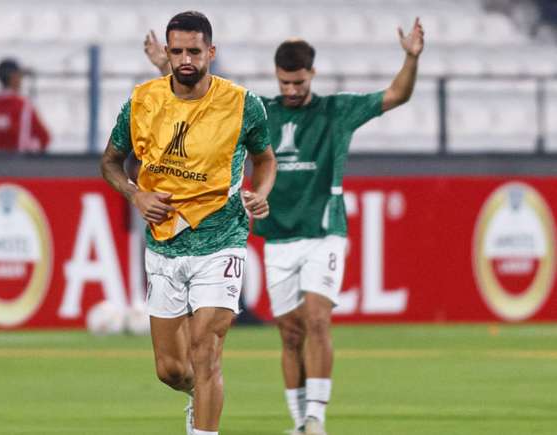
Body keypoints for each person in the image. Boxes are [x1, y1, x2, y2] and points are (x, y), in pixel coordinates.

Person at [145, 17, 425, 435]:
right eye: (285, 83)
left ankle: (316, 418)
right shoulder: (261, 111)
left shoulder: (336, 111)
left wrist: (410, 57)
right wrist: (165, 70)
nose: (291, 90)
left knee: (316, 319)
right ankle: (299, 422)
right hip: (277, 235)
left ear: (312, 74)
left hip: (324, 231)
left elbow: (397, 94)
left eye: (298, 82)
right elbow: (204, 99)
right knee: (290, 332)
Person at [101, 11, 276, 435]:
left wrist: (261, 192)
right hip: (164, 244)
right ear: (167, 51)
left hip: (222, 239)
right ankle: (199, 400)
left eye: (193, 51)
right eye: (176, 51)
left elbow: (265, 158)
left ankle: (204, 427)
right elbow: (110, 161)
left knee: (206, 351)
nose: (185, 59)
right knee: (172, 369)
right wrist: (136, 194)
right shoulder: (142, 101)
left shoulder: (242, 104)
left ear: (210, 52)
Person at [0, 58, 51, 153]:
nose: (21, 79)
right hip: (19, 164)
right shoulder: (22, 105)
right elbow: (44, 138)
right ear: (13, 77)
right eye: (20, 75)